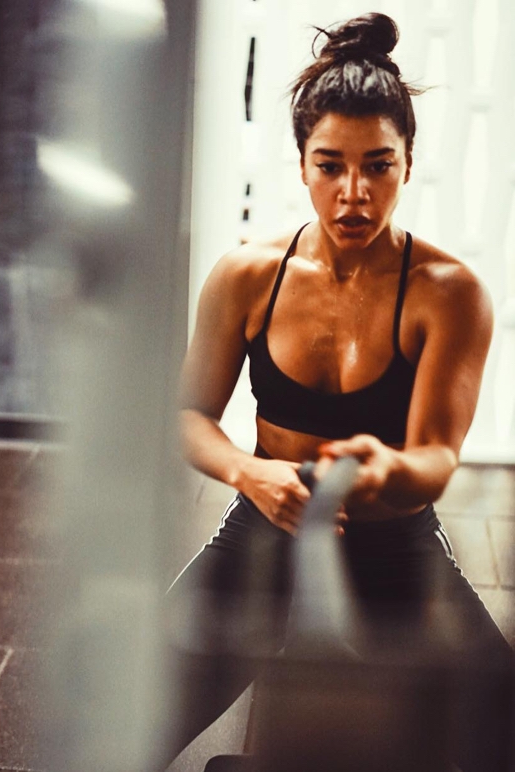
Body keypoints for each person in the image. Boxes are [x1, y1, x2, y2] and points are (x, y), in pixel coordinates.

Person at [163, 12, 514, 772]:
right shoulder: (246, 276)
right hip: (264, 525)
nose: (354, 193)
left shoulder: (450, 294)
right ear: (301, 166)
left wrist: (390, 472)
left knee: (499, 723)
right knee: (130, 707)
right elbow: (187, 419)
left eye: (378, 165)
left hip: (394, 540)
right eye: (330, 165)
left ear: (409, 164)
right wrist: (247, 472)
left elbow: (437, 457)